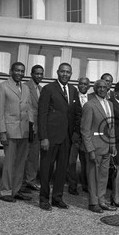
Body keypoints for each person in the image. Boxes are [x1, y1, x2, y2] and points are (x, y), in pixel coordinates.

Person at [38, 63, 79, 211]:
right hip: (50, 137)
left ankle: (57, 198)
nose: (65, 74)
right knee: (46, 169)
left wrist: (74, 133)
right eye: (62, 71)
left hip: (66, 138)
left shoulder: (73, 90)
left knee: (62, 169)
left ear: (71, 74)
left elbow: (77, 114)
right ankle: (43, 199)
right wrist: (44, 137)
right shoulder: (48, 89)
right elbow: (42, 114)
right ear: (57, 72)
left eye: (68, 72)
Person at [0, 62, 33, 202]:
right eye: (17, 70)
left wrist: (32, 127)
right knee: (9, 163)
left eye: (22, 71)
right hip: (10, 131)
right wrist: (2, 132)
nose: (20, 73)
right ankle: (5, 191)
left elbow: (29, 109)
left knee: (20, 163)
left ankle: (15, 190)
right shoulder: (2, 87)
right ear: (11, 71)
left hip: (24, 131)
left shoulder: (26, 88)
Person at [80, 79, 117, 213]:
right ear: (95, 89)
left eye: (104, 87)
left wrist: (113, 144)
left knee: (103, 176)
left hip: (107, 147)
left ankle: (101, 200)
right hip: (94, 147)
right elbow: (85, 130)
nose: (102, 89)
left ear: (108, 89)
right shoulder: (89, 105)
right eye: (99, 87)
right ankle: (93, 202)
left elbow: (111, 126)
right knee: (92, 176)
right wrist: (90, 150)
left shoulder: (110, 104)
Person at [67, 77, 90, 195]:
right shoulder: (73, 97)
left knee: (86, 161)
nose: (83, 86)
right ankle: (72, 186)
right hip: (75, 134)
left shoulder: (91, 98)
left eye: (85, 84)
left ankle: (86, 185)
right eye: (81, 83)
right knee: (72, 161)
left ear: (89, 86)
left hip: (87, 135)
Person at [22, 64, 43, 192]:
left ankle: (30, 180)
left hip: (38, 127)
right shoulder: (25, 87)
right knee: (24, 155)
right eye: (37, 73)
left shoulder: (40, 88)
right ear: (31, 74)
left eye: (41, 74)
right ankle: (20, 182)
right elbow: (27, 107)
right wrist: (31, 125)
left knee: (34, 156)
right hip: (28, 125)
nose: (39, 76)